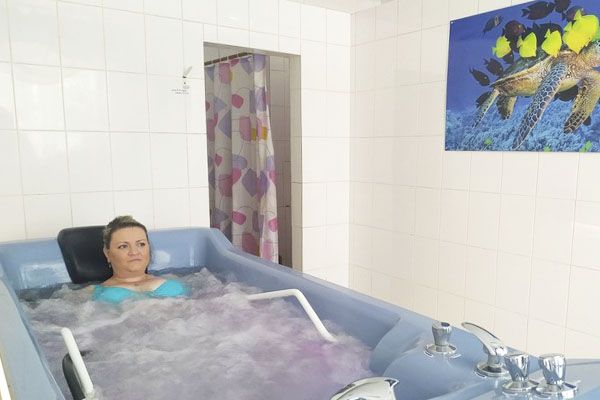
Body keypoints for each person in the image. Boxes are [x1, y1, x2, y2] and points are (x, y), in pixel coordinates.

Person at [92, 216, 188, 304]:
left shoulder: (177, 281)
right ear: (107, 253)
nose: (134, 252)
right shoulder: (94, 294)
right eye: (123, 246)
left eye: (141, 244)